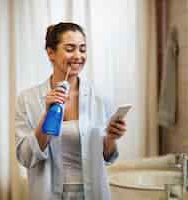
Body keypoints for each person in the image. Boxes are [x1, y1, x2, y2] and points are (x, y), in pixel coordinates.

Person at [15, 22, 127, 200]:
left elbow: (107, 157)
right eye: (70, 49)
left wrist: (111, 138)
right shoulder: (28, 99)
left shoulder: (100, 97)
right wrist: (46, 117)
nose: (78, 56)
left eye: (82, 49)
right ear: (51, 53)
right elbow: (25, 158)